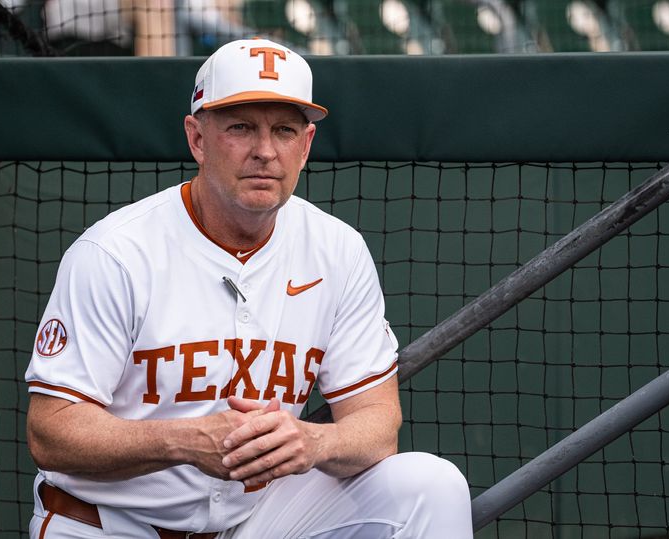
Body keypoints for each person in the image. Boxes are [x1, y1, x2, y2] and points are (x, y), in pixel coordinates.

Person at [25, 37, 473, 538]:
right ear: (197, 138)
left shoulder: (337, 250)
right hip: (111, 523)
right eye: (241, 127)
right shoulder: (116, 252)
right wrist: (182, 440)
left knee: (431, 485)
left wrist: (313, 442)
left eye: (283, 130)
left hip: (254, 522)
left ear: (305, 147)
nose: (264, 151)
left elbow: (377, 422)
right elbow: (51, 431)